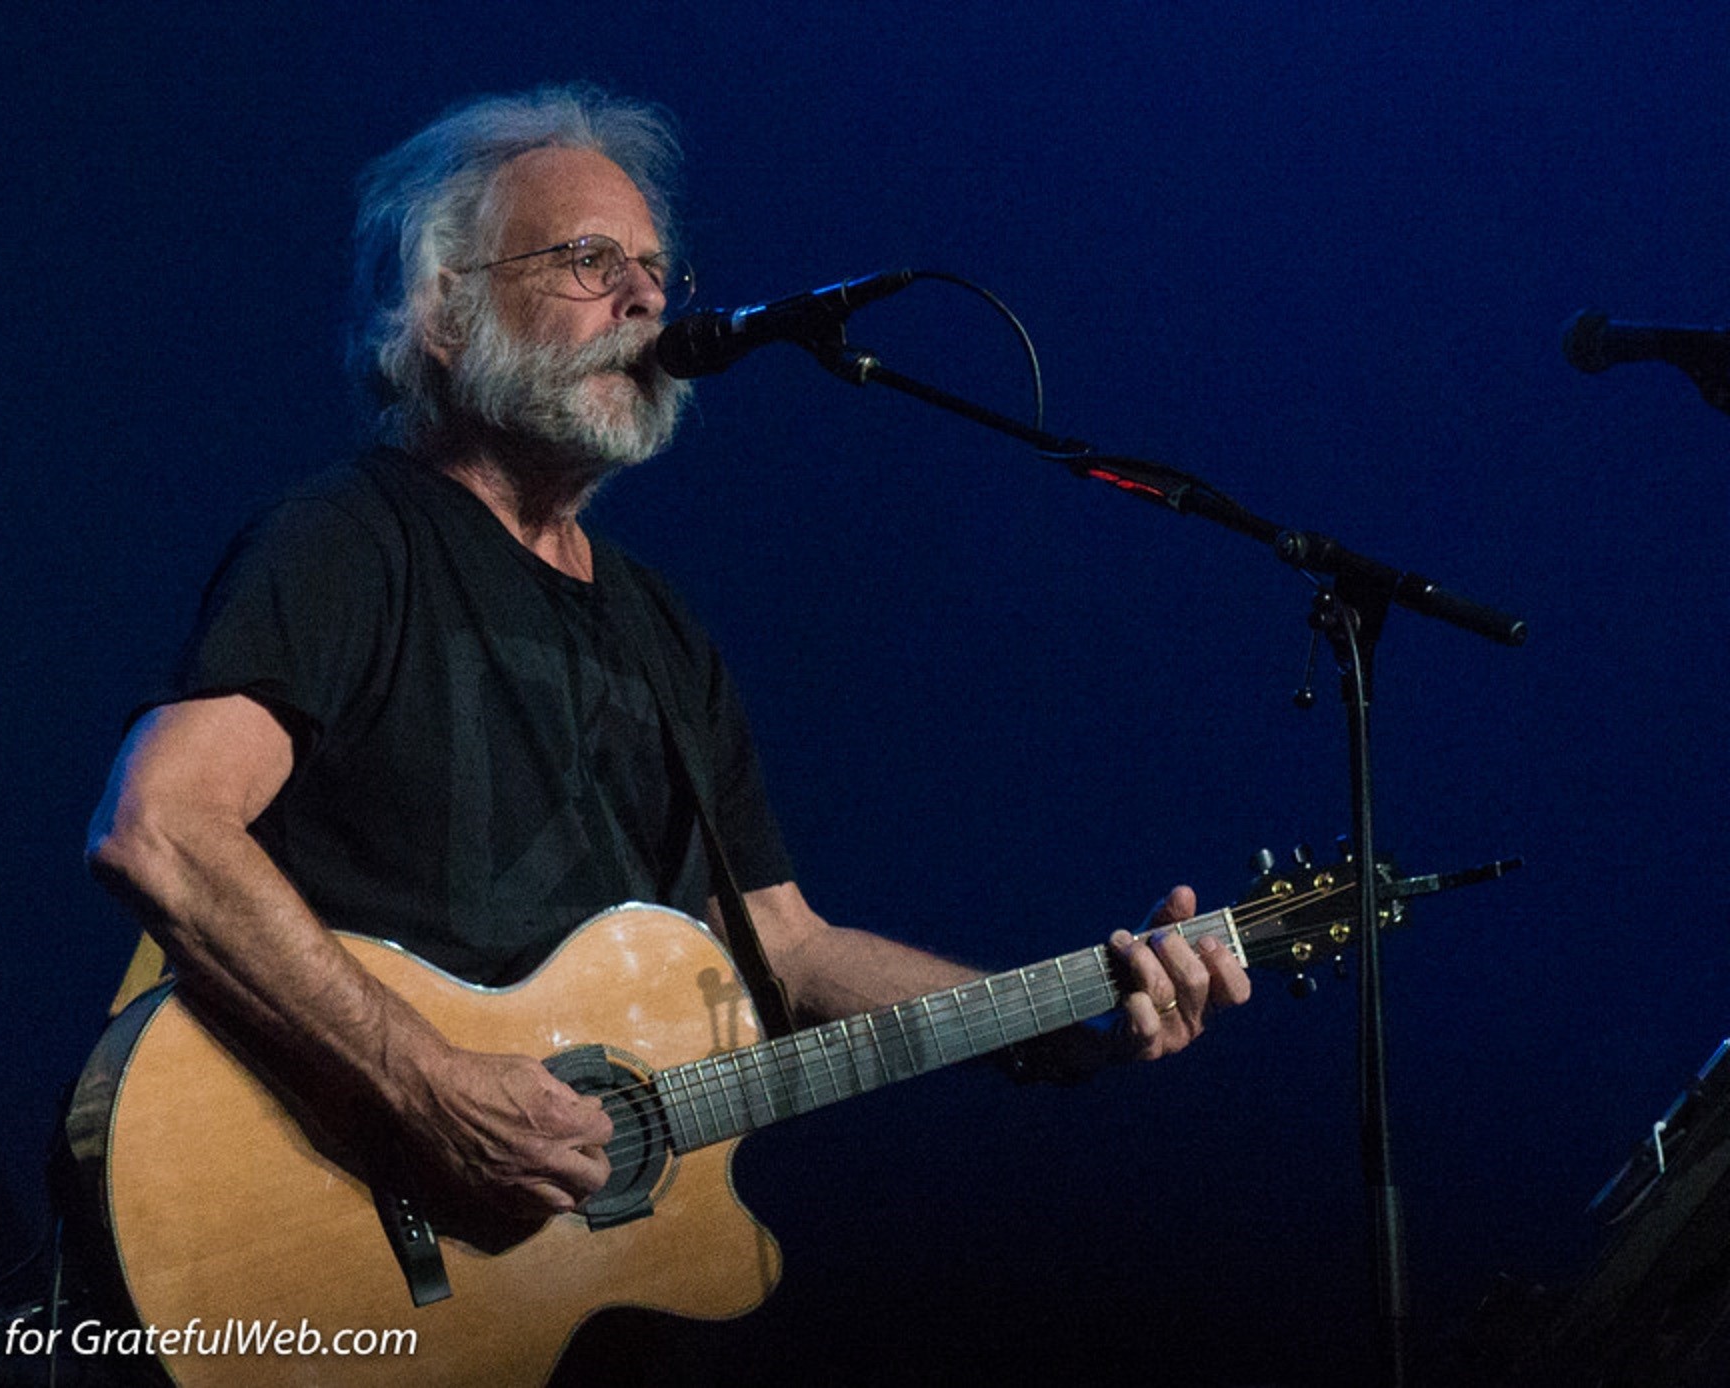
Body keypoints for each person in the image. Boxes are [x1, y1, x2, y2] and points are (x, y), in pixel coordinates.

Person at [82, 82, 1249, 1368]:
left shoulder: (657, 626)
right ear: (446, 314)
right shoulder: (347, 543)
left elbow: (787, 950)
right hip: (320, 1236)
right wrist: (426, 1083)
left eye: (655, 268)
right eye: (589, 260)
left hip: (549, 1294)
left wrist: (1068, 1016)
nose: (648, 300)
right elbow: (161, 829)